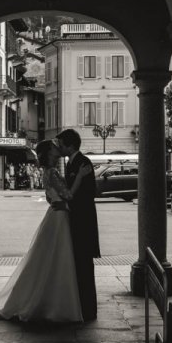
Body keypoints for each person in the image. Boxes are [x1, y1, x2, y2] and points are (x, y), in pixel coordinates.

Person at [0, 139, 92, 322]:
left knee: (47, 257)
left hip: (54, 213)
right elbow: (69, 195)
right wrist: (80, 176)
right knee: (59, 257)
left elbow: (48, 197)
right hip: (60, 215)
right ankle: (56, 303)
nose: (57, 148)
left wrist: (56, 199)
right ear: (49, 153)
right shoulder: (53, 172)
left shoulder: (47, 171)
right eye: (54, 147)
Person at [55, 128, 101, 321]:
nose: (59, 147)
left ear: (70, 145)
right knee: (79, 265)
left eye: (61, 144)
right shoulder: (73, 162)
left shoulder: (83, 162)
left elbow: (89, 192)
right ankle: (83, 306)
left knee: (84, 265)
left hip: (82, 221)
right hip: (77, 220)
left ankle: (89, 309)